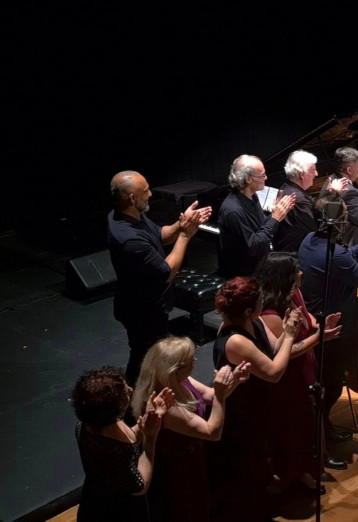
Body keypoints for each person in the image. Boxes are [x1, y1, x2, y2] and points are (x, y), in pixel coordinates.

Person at [207, 276, 306, 521]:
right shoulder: (235, 339)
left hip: (258, 406)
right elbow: (273, 372)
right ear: (249, 309)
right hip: (241, 413)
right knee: (246, 467)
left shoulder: (254, 321)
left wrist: (284, 331)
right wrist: (291, 335)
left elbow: (272, 351)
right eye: (261, 300)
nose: (265, 302)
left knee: (260, 461)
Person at [107, 170, 211, 385]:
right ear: (132, 198)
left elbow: (160, 235)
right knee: (143, 357)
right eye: (145, 191)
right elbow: (167, 272)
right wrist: (185, 235)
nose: (150, 194)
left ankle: (148, 392)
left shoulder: (133, 214)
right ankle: (131, 402)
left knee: (151, 355)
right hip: (142, 310)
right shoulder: (129, 239)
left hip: (150, 304)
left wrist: (181, 225)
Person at [254, 251, 344, 495]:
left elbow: (308, 317)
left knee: (310, 418)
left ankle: (307, 468)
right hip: (289, 376)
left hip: (306, 366)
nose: (301, 274)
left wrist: (319, 325)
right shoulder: (269, 315)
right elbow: (283, 351)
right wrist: (318, 338)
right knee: (293, 423)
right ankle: (291, 473)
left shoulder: (295, 294)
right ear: (283, 278)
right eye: (295, 272)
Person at [131, 338, 250, 522]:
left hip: (192, 456)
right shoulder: (166, 405)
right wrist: (220, 393)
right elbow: (212, 431)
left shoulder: (181, 380)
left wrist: (233, 380)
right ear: (174, 371)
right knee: (186, 509)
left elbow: (209, 396)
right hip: (179, 469)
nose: (195, 361)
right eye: (190, 360)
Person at [299, 192, 358, 442]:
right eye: (344, 215)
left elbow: (340, 259)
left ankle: (323, 430)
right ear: (337, 221)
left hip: (314, 320)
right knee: (331, 385)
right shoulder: (336, 255)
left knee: (324, 383)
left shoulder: (309, 240)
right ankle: (322, 437)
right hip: (333, 328)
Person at [71, 366, 172, 521]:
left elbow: (129, 437)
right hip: (115, 512)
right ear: (112, 407)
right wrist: (150, 439)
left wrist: (146, 419)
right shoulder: (114, 448)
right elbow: (140, 486)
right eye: (125, 392)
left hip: (92, 500)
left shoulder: (90, 424)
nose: (131, 390)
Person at [218, 154, 296, 278]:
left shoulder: (252, 196)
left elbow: (260, 227)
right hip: (245, 275)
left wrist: (276, 213)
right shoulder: (233, 210)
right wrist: (275, 219)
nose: (266, 178)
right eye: (262, 175)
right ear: (248, 179)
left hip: (258, 265)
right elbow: (253, 247)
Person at [273, 150, 319, 253]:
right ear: (302, 175)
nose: (316, 174)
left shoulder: (286, 187)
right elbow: (315, 231)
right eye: (313, 170)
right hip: (295, 256)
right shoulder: (299, 199)